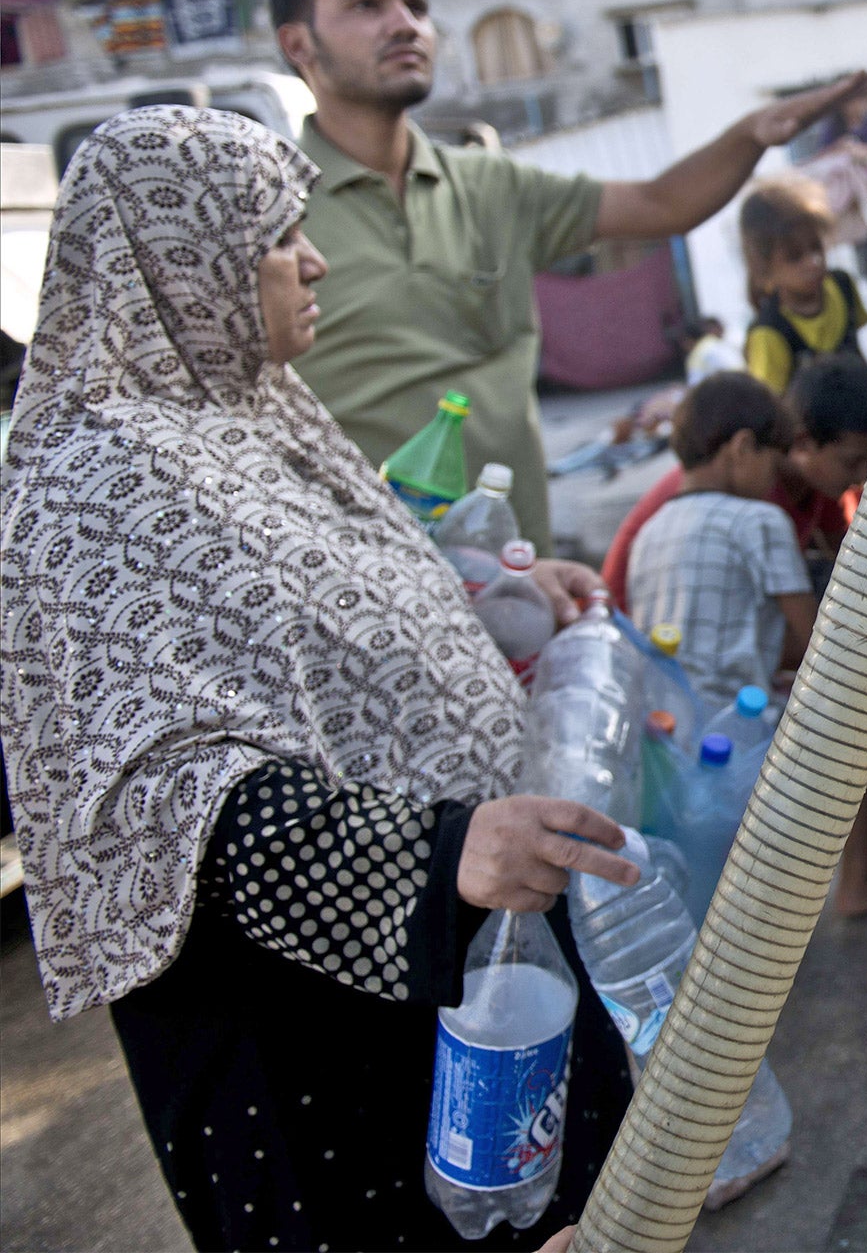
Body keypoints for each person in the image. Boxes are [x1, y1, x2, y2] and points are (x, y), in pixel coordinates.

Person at [0, 107, 643, 1252]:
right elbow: (149, 795)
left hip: (453, 946)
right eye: (278, 234)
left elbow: (319, 615)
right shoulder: (90, 483)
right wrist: (440, 854)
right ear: (181, 260)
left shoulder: (252, 413)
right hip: (307, 1026)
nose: (315, 257)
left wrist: (484, 594)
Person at [268, 0, 867, 549]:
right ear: (298, 43)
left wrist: (751, 133)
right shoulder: (274, 212)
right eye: (367, 5)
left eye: (415, 4)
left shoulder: (490, 187)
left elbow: (659, 203)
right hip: (370, 583)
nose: (404, 24)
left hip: (523, 570)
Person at [601, 355, 867, 612]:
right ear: (802, 443)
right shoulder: (741, 489)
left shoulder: (820, 487)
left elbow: (848, 561)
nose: (862, 475)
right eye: (852, 462)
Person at [626, 373, 815, 717]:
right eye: (772, 466)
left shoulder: (648, 532)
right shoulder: (759, 520)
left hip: (657, 728)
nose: (773, 482)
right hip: (734, 727)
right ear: (742, 447)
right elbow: (815, 646)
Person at [738, 176, 867, 394]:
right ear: (765, 269)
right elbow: (774, 406)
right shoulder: (768, 333)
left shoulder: (842, 284)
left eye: (816, 248)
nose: (814, 262)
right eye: (794, 257)